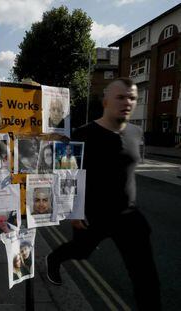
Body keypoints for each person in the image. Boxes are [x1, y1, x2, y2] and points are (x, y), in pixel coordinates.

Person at [46, 78, 161, 310]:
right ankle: (53, 259)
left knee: (146, 278)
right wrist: (74, 212)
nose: (127, 102)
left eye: (132, 98)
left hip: (129, 216)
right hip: (94, 216)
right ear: (106, 100)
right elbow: (65, 174)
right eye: (121, 97)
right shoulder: (82, 134)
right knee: (80, 252)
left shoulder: (136, 132)